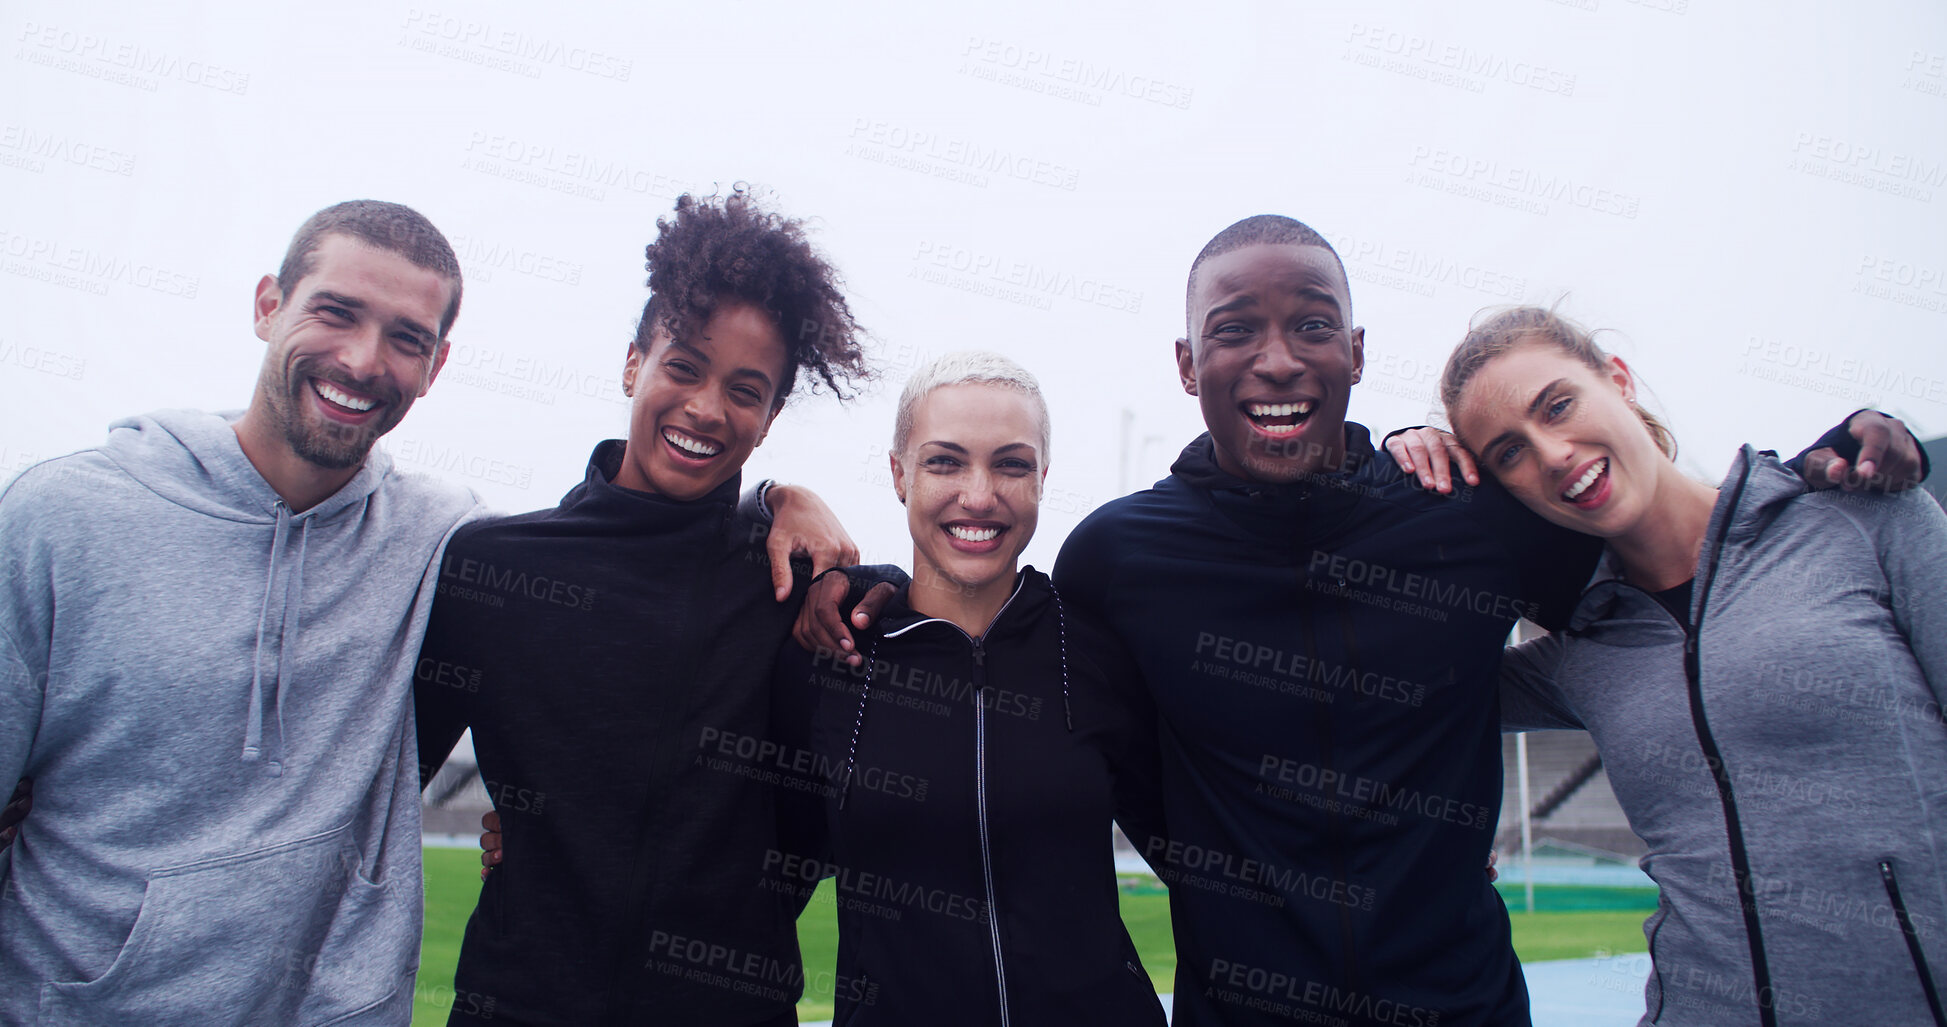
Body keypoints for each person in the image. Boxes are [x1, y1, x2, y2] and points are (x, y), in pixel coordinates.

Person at [798, 215, 1928, 1026]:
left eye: (1313, 324)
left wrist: (1845, 454)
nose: (1277, 357)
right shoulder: (1119, 558)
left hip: (1466, 1003)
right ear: (1190, 364)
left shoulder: (1471, 517)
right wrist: (856, 572)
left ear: (1358, 353)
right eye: (1236, 330)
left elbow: (1669, 549)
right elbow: (1013, 644)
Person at [0, 200, 478, 1025]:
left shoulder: (444, 534)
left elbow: (617, 545)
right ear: (268, 305)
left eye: (407, 338)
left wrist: (776, 501)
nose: (363, 360)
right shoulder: (58, 517)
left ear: (434, 366)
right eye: (335, 312)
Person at [413, 189, 871, 1026]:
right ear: (633, 363)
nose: (703, 407)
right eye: (683, 366)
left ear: (769, 418)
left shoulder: (798, 589)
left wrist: (779, 500)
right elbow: (370, 790)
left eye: (744, 389)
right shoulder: (492, 568)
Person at [1430, 306, 1946, 1027]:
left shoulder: (1866, 522)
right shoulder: (1579, 650)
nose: (1549, 452)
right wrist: (1402, 460)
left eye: (1558, 404)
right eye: (1508, 452)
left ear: (1618, 380)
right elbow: (1399, 689)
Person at [767, 352, 1170, 1025]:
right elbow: (758, 891)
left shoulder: (1101, 651)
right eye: (944, 461)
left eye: (1010, 463)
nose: (979, 495)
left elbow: (1205, 858)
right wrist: (772, 494)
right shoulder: (831, 655)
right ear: (899, 473)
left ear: (1042, 475)